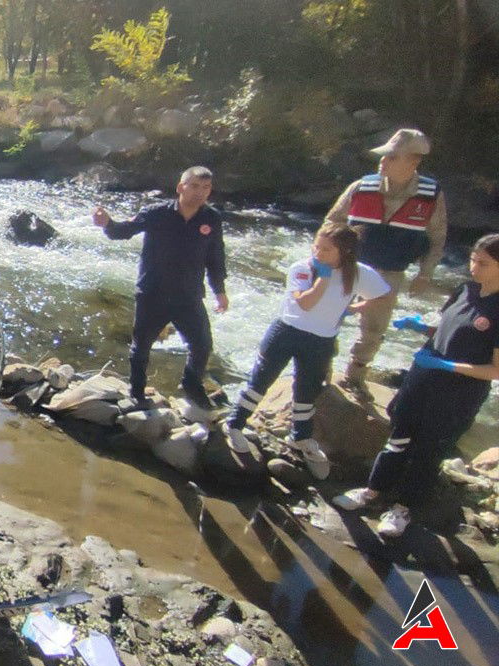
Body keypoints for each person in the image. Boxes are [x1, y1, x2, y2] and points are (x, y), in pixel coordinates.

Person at [333, 234, 499, 538]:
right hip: (423, 376)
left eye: (483, 263)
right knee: (398, 436)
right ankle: (372, 490)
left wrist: (449, 366)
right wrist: (420, 326)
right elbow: (448, 324)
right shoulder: (465, 289)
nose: (473, 267)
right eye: (473, 259)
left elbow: (495, 370)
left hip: (458, 392)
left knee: (428, 450)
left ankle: (403, 509)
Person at [223, 224, 391, 478]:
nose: (318, 252)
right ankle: (234, 424)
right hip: (286, 333)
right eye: (316, 246)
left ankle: (300, 437)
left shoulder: (357, 273)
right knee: (261, 381)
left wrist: (354, 307)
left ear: (343, 251)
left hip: (320, 340)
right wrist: (323, 277)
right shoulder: (302, 268)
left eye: (325, 249)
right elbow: (307, 303)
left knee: (307, 390)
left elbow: (384, 295)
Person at [93, 166, 228, 410]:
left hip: (189, 296)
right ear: (180, 187)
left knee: (202, 344)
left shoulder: (211, 218)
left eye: (206, 188)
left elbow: (215, 257)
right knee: (142, 345)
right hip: (153, 292)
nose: (200, 193)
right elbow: (122, 232)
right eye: (195, 186)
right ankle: (136, 391)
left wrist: (219, 290)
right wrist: (107, 223)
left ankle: (191, 385)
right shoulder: (156, 213)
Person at [323, 128, 447, 393]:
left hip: (391, 270)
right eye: (384, 156)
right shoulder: (361, 186)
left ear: (413, 162)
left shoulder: (430, 195)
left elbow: (437, 237)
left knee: (374, 328)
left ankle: (355, 375)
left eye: (391, 157)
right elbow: (332, 222)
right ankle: (322, 369)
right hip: (348, 266)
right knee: (329, 315)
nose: (382, 161)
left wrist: (425, 273)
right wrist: (323, 258)